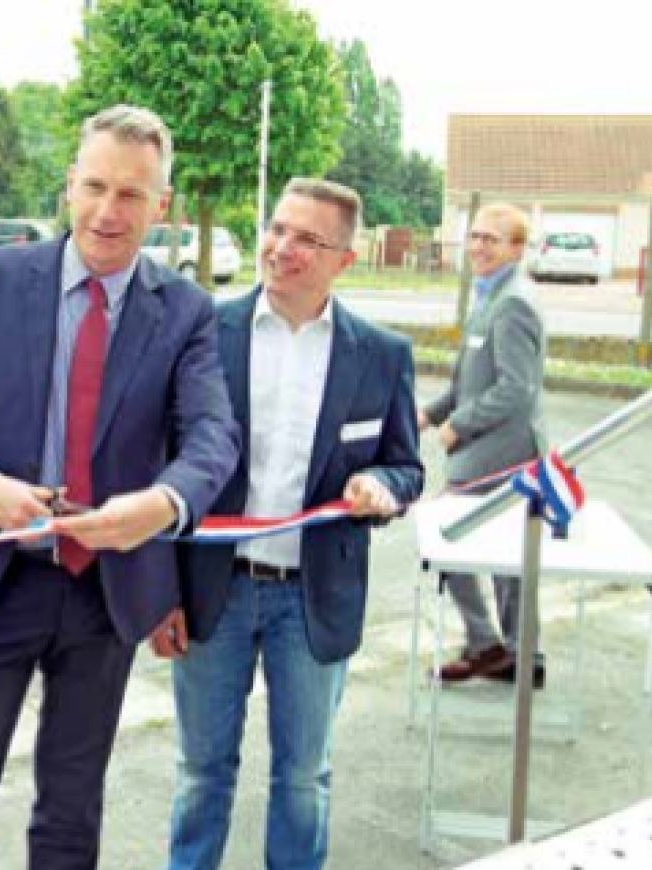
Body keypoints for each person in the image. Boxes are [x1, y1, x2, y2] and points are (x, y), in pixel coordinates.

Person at [0, 104, 240, 869]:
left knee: (71, 807)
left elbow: (213, 436)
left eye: (132, 194)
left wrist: (158, 506)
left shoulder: (185, 311)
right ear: (68, 185)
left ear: (162, 205)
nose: (108, 210)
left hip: (104, 592)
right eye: (94, 186)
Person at [153, 178, 424, 870]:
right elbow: (162, 462)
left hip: (314, 599)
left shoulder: (382, 355)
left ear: (345, 259)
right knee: (200, 771)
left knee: (304, 778)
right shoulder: (206, 331)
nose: (283, 248)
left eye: (309, 238)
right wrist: (158, 593)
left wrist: (382, 486)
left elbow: (407, 466)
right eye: (279, 228)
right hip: (214, 591)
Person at [425, 202, 549, 688]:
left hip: (503, 453)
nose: (477, 246)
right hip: (493, 451)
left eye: (490, 240)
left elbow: (517, 388)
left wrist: (458, 423)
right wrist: (429, 414)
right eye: (474, 236)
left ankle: (490, 646)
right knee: (506, 559)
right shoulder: (490, 296)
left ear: (516, 249)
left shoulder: (514, 302)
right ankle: (519, 656)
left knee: (446, 535)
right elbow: (473, 380)